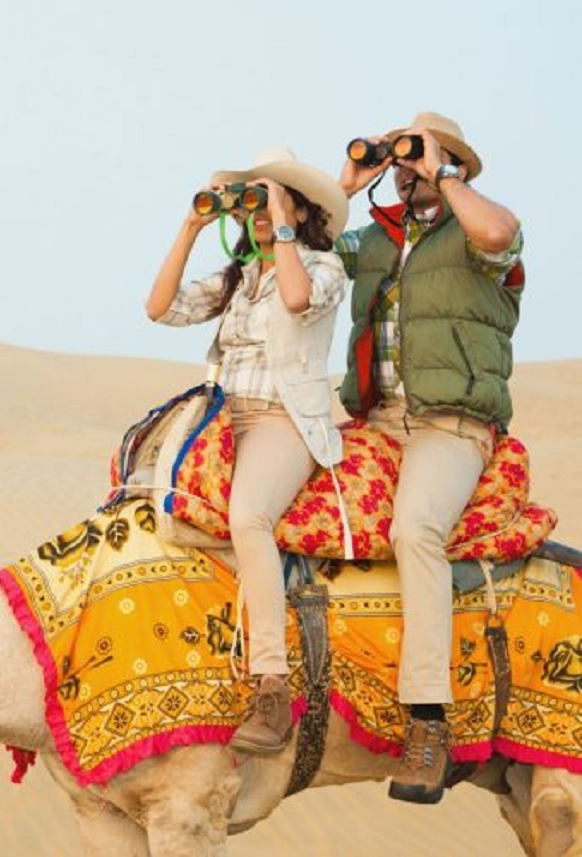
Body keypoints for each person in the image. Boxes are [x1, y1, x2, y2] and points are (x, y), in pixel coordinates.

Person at [336, 112, 524, 804]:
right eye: (401, 157)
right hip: (378, 420)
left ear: (455, 165)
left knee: (413, 528)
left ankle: (427, 717)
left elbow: (499, 234)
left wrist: (442, 169)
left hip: (452, 422)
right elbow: (315, 252)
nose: (406, 166)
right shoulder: (376, 239)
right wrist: (349, 182)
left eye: (418, 155)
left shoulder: (480, 235)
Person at [146, 147, 349, 756]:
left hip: (283, 420)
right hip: (221, 419)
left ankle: (273, 684)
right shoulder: (239, 277)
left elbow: (296, 301)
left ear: (299, 207)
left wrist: (281, 221)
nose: (255, 210)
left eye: (268, 196)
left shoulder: (322, 265)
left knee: (248, 518)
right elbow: (159, 309)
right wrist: (192, 225)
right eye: (251, 200)